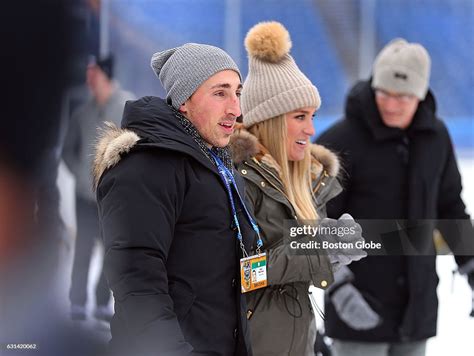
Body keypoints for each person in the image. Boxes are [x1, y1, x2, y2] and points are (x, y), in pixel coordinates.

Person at [92, 43, 255, 355]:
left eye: (237, 92)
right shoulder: (146, 165)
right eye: (220, 93)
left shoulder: (218, 164)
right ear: (184, 100)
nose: (236, 108)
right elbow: (135, 275)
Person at [316, 38, 474, 356]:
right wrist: (338, 287)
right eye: (383, 93)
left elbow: (449, 207)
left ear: (420, 94)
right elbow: (314, 220)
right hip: (358, 311)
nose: (391, 104)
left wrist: (471, 265)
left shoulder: (436, 138)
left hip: (417, 311)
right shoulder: (340, 141)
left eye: (402, 96)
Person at [230, 21, 366, 356]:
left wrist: (335, 248)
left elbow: (297, 266)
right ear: (272, 120)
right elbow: (243, 273)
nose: (312, 128)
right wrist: (318, 251)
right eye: (300, 117)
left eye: (313, 115)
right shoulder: (237, 179)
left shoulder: (306, 181)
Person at [63, 54, 135, 321]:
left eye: (92, 75)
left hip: (113, 198)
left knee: (111, 251)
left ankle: (104, 302)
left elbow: (136, 147)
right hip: (84, 196)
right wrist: (81, 176)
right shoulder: (83, 112)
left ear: (104, 76)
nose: (88, 81)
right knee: (82, 248)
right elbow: (68, 151)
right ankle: (77, 302)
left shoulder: (127, 107)